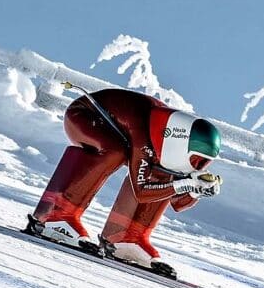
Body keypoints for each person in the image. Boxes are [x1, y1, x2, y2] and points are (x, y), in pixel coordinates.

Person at [29, 88, 221, 268]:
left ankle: (126, 237)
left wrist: (197, 191)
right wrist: (185, 183)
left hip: (118, 128)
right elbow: (141, 191)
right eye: (196, 159)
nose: (196, 166)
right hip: (84, 114)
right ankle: (54, 215)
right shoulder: (144, 133)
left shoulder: (172, 147)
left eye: (203, 162)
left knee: (163, 171)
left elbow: (177, 202)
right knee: (114, 151)